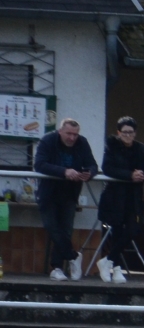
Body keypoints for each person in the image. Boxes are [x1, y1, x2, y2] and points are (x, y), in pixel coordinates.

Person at [96, 116, 144, 283]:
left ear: (135, 133)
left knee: (133, 228)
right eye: (124, 132)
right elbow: (107, 168)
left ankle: (107, 260)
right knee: (117, 231)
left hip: (133, 197)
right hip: (115, 196)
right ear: (118, 133)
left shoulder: (142, 149)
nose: (127, 135)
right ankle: (116, 268)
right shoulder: (112, 148)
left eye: (131, 132)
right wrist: (130, 175)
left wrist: (143, 175)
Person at [32, 117, 96, 280]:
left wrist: (89, 173)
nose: (72, 138)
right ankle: (74, 256)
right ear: (60, 131)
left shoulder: (83, 143)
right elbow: (39, 164)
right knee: (52, 226)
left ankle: (57, 267)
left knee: (66, 230)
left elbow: (92, 165)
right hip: (48, 193)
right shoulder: (48, 140)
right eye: (68, 134)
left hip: (70, 193)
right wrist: (64, 171)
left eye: (75, 134)